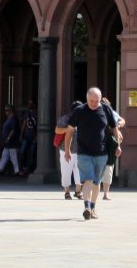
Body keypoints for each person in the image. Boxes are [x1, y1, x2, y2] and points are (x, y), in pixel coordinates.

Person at [63, 87, 119, 220]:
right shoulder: (79, 111)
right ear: (87, 99)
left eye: (96, 101)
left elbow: (114, 128)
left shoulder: (106, 109)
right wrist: (67, 149)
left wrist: (118, 145)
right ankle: (87, 206)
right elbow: (69, 131)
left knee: (96, 182)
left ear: (100, 99)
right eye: (91, 101)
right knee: (87, 179)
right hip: (84, 152)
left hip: (102, 153)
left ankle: (93, 207)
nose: (94, 103)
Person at [54, 102, 83, 200]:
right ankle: (67, 192)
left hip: (80, 150)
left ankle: (78, 191)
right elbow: (57, 130)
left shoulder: (83, 119)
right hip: (65, 150)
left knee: (80, 172)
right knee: (66, 171)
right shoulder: (65, 119)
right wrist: (68, 129)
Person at [98, 97, 126, 200]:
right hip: (98, 143)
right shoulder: (94, 113)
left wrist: (117, 126)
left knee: (109, 168)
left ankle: (105, 193)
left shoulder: (111, 113)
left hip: (110, 144)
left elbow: (122, 120)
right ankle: (98, 192)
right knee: (99, 167)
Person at [0, 105, 20, 175]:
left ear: (11, 110)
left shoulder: (13, 119)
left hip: (12, 142)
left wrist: (8, 138)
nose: (5, 112)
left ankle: (17, 171)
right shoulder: (9, 118)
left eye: (7, 110)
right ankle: (0, 169)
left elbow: (13, 130)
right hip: (7, 143)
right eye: (5, 110)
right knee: (4, 155)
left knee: (14, 157)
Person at [17, 99, 37, 176]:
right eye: (28, 103)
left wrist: (36, 138)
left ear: (34, 105)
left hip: (33, 137)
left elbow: (38, 127)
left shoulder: (36, 113)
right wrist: (21, 135)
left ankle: (30, 169)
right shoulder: (27, 114)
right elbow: (24, 124)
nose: (29, 105)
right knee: (22, 152)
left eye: (31, 103)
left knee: (32, 154)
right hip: (26, 136)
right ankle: (22, 168)